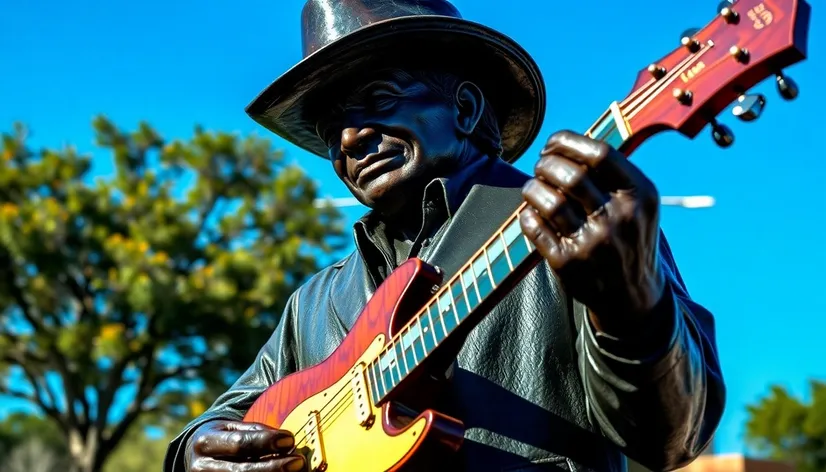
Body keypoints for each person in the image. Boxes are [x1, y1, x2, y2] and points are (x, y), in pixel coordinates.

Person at [164, 1, 726, 471]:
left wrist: (632, 308)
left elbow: (674, 437)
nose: (351, 138)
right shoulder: (313, 303)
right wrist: (195, 450)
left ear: (463, 107)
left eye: (380, 101)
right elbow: (229, 414)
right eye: (331, 126)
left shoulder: (577, 226)